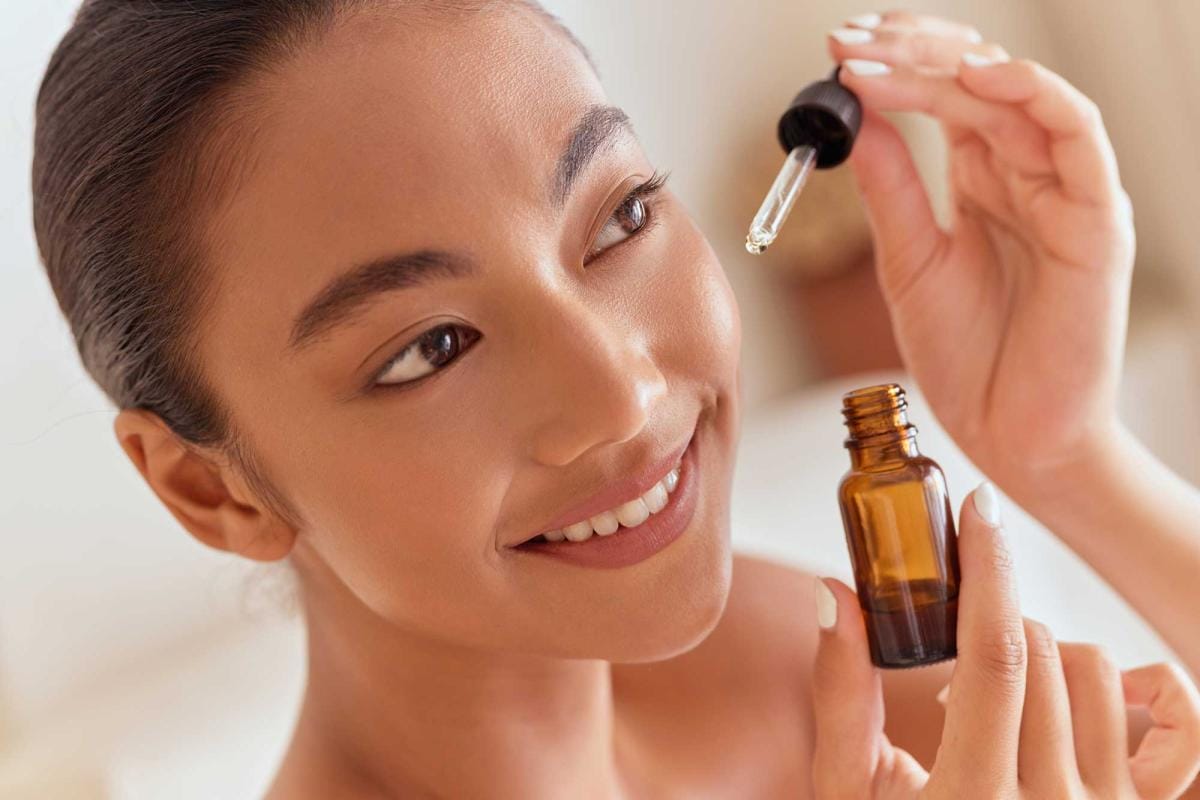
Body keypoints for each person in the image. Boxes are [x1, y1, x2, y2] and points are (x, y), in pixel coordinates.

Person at [30, 2, 1200, 797]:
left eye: (622, 215)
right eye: (429, 346)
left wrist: (1069, 452)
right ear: (209, 486)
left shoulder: (778, 663)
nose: (623, 390)